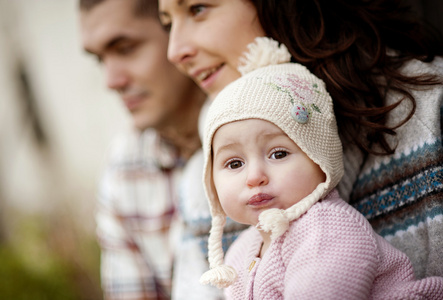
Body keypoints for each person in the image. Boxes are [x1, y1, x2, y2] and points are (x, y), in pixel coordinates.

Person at [158, 0, 443, 279]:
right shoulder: (204, 183)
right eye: (168, 23)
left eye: (198, 9)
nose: (174, 52)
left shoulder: (431, 111)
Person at [199, 37, 443, 299]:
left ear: (321, 159)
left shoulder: (327, 228)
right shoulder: (240, 250)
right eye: (234, 163)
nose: (255, 177)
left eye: (278, 153)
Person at [79, 0, 208, 298]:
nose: (111, 81)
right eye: (100, 59)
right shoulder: (124, 168)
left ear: (178, 32)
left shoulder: (270, 126)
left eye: (125, 48)